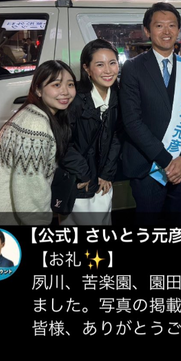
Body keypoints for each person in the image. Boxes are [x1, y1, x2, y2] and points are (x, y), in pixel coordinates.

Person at [119, 2, 181, 221]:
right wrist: (166, 160)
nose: (166, 31)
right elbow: (132, 121)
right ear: (147, 31)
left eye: (172, 25)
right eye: (159, 25)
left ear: (179, 30)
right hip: (147, 166)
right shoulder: (133, 67)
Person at [0, 61, 76, 225]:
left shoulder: (29, 113)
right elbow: (30, 195)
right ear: (38, 89)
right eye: (56, 84)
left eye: (70, 84)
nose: (65, 91)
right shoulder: (35, 126)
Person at [51, 39, 121, 226]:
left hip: (103, 182)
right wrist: (85, 174)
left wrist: (107, 174)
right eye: (100, 65)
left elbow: (117, 137)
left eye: (112, 63)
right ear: (87, 69)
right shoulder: (74, 99)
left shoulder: (117, 95)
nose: (108, 70)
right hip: (79, 181)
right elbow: (62, 142)